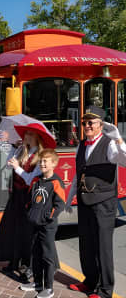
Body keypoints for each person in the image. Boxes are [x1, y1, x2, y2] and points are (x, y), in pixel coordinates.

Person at [66, 105, 126, 298]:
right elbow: (78, 173)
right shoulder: (81, 145)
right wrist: (69, 197)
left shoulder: (109, 144)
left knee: (102, 246)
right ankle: (90, 282)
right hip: (85, 200)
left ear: (101, 124)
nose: (87, 126)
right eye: (84, 122)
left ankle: (105, 290)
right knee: (86, 244)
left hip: (104, 202)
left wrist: (118, 138)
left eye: (91, 122)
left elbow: (125, 159)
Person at [0, 122, 56, 282]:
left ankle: (28, 268)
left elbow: (31, 180)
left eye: (30, 134)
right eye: (26, 134)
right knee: (13, 230)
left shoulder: (40, 156)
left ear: (37, 137)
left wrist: (17, 167)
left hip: (29, 198)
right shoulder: (23, 150)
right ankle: (13, 262)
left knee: (27, 235)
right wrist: (14, 149)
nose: (26, 137)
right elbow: (8, 162)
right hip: (16, 196)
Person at [20, 149, 65, 298]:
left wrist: (47, 217)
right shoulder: (36, 180)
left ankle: (49, 288)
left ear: (54, 164)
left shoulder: (56, 183)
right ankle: (37, 283)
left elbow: (60, 205)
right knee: (36, 254)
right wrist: (30, 213)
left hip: (47, 226)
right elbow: (29, 200)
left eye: (46, 161)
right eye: (41, 161)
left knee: (47, 256)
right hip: (34, 224)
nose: (42, 163)